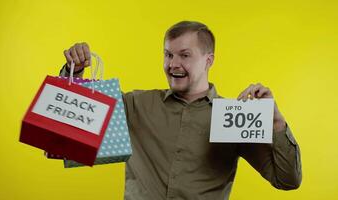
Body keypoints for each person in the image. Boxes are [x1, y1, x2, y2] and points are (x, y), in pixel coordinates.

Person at [59, 21, 302, 200]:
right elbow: (73, 127)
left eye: (184, 55)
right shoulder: (136, 105)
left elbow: (287, 180)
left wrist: (277, 124)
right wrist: (75, 72)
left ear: (209, 60)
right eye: (168, 54)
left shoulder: (233, 118)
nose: (173, 64)